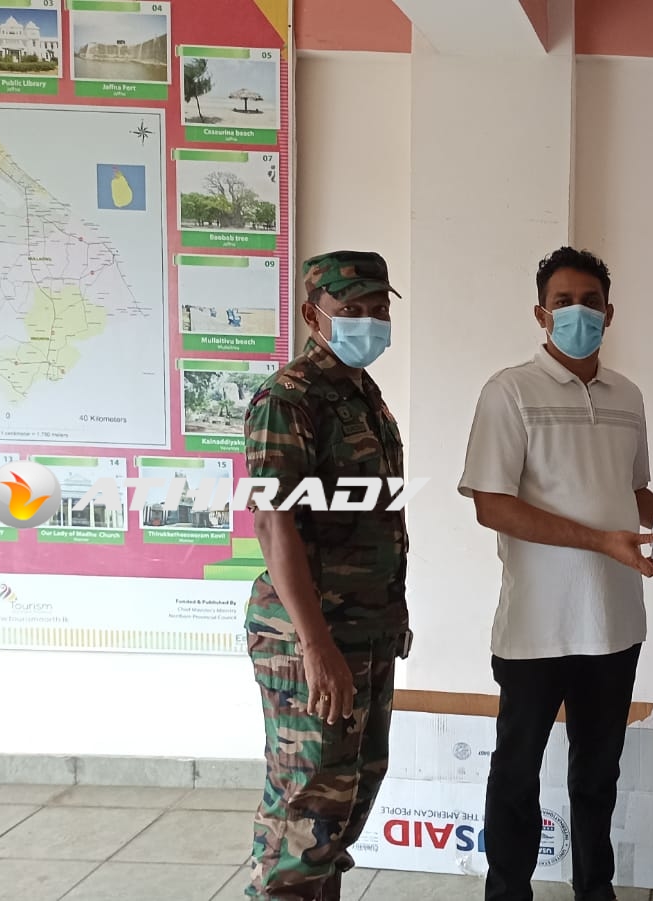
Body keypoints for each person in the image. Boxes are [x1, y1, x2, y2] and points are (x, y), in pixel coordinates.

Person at [459, 247, 653, 901]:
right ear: (541, 313)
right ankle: (508, 891)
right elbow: (492, 504)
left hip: (615, 620)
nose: (579, 312)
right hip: (536, 627)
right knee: (517, 771)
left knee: (598, 774)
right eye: (564, 301)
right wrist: (599, 540)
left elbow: (636, 492)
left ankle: (594, 890)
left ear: (610, 312)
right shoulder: (510, 390)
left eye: (591, 301)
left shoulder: (628, 396)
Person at [243, 251, 411, 900]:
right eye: (351, 310)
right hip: (313, 634)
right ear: (314, 316)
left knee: (344, 804)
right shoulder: (289, 398)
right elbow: (273, 523)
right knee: (306, 809)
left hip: (366, 629)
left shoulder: (361, 394)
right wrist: (315, 645)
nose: (369, 321)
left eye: (379, 309)